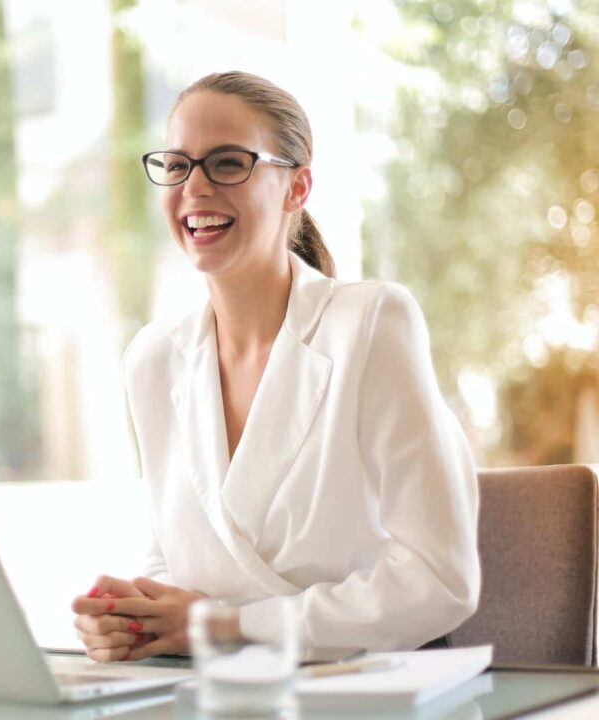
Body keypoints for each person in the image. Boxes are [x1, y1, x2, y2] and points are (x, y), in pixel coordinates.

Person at [71, 71, 480, 663]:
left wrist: (229, 625)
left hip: (362, 687)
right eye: (178, 164)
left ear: (297, 187)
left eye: (228, 163)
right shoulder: (153, 360)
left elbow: (441, 579)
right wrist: (133, 619)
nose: (195, 187)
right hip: (223, 692)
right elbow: (175, 556)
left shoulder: (369, 324)